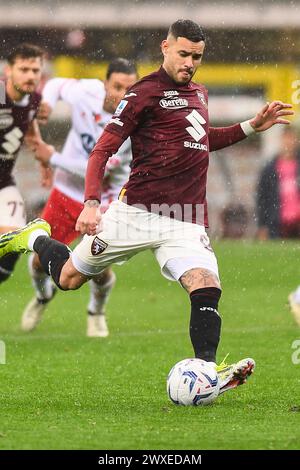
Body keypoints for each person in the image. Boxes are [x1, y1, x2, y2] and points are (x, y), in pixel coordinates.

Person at [0, 20, 294, 394]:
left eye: (197, 57)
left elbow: (202, 140)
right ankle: (35, 237)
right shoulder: (143, 93)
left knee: (205, 285)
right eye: (184, 54)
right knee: (69, 278)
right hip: (135, 213)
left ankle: (207, 374)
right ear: (165, 47)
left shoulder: (199, 93)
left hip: (186, 219)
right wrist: (91, 202)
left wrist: (252, 126)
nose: (190, 63)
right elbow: (102, 150)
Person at [21, 58, 137, 337]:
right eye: (117, 86)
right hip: (66, 193)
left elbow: (97, 171)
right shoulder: (87, 92)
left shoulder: (133, 127)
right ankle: (42, 296)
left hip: (103, 201)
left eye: (129, 89)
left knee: (95, 267)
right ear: (105, 84)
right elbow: (58, 85)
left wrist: (53, 158)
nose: (122, 95)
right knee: (40, 260)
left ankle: (96, 312)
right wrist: (46, 102)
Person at [0, 43, 45, 286]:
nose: (30, 76)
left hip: (4, 182)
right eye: (24, 69)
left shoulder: (34, 100)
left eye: (35, 70)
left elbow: (29, 129)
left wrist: (45, 163)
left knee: (13, 243)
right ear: (9, 70)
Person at [256, 126, 300, 240]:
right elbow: (262, 198)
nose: (288, 142)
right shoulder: (270, 168)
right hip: (277, 223)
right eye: (286, 138)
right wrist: (262, 225)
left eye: (291, 139)